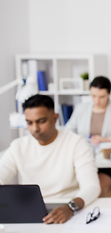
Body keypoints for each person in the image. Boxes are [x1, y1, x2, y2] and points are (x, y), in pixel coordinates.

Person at [0, 94, 100, 224]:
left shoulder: (76, 143)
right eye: (29, 123)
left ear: (55, 118)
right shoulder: (18, 146)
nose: (35, 128)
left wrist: (70, 207)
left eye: (41, 121)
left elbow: (91, 186)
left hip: (69, 210)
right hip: (31, 213)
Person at [66, 76, 111, 196]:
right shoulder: (81, 109)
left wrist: (105, 139)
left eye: (101, 97)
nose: (97, 101)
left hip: (108, 163)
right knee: (81, 191)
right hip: (84, 158)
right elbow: (68, 131)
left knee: (95, 191)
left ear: (109, 94)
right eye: (93, 96)